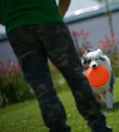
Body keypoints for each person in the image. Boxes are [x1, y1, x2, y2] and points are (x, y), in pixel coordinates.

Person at [0, 0, 112, 132]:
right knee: (75, 76)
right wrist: (57, 15)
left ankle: (58, 129)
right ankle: (98, 125)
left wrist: (14, 20)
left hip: (19, 30)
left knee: (41, 85)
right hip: (50, 21)